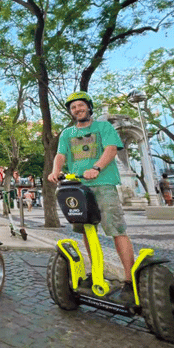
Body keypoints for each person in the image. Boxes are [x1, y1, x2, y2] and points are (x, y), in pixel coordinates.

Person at [48, 91, 135, 302]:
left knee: (116, 229)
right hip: (78, 186)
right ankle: (97, 272)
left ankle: (129, 279)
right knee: (87, 230)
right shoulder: (68, 133)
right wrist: (55, 171)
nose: (77, 109)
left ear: (88, 107)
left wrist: (96, 167)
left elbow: (111, 149)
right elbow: (60, 155)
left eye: (80, 105)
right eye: (73, 107)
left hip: (103, 184)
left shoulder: (103, 127)